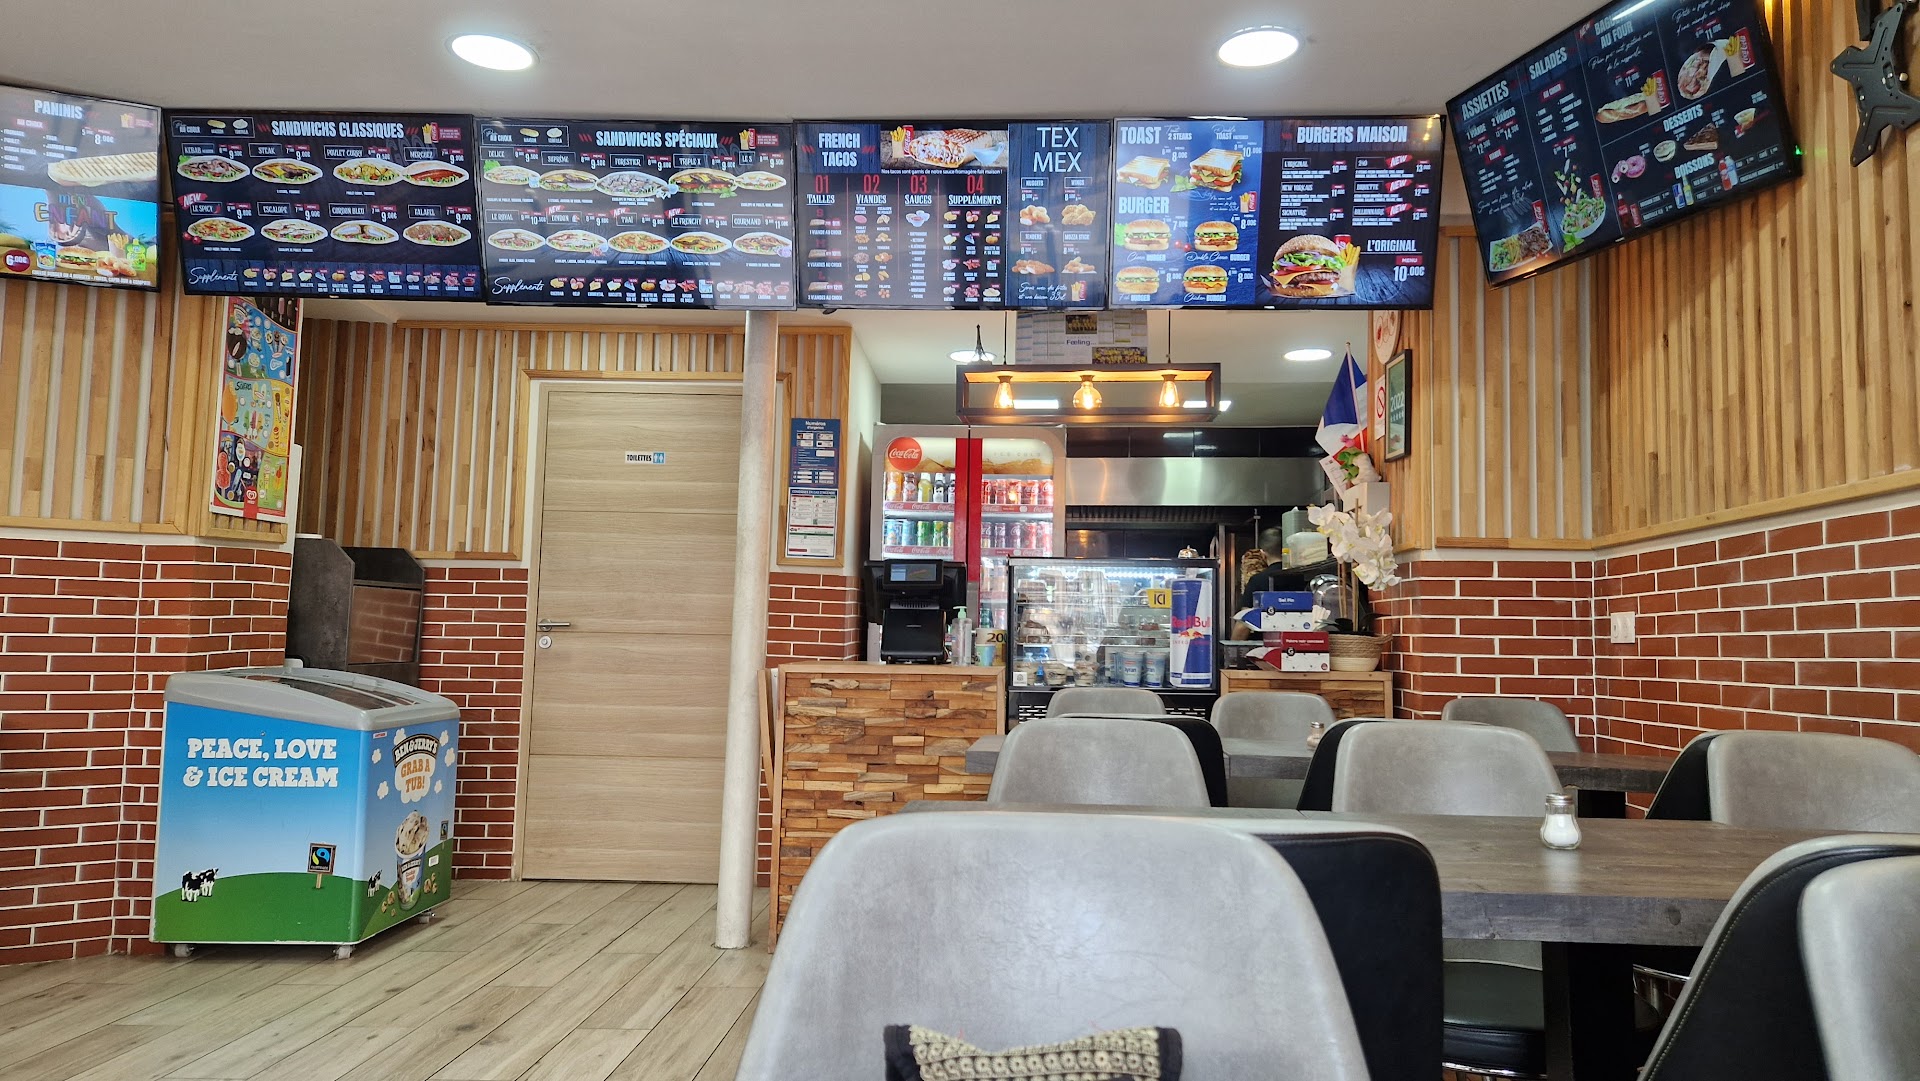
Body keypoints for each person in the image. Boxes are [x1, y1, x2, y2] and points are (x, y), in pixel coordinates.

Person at [1231, 528, 1309, 640]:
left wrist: (1233, 648)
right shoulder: (1304, 577)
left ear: (1263, 553)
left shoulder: (1258, 581)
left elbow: (1243, 625)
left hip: (1266, 646)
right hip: (1302, 643)